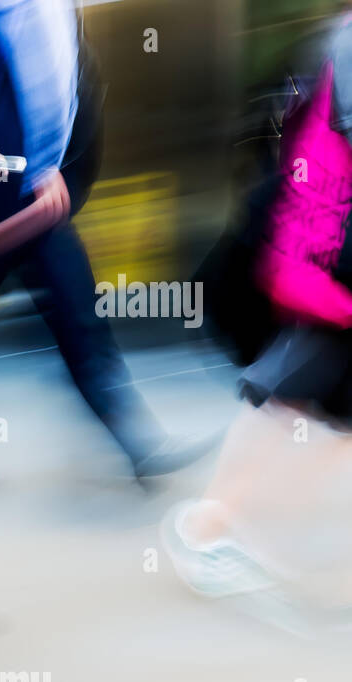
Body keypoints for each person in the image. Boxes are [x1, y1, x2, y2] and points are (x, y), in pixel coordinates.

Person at [0, 0, 209, 478]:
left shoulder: (34, 11)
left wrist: (58, 176)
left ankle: (137, 445)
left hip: (34, 200)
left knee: (80, 322)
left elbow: (68, 88)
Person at [164, 14, 352, 607]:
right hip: (326, 260)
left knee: (313, 404)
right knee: (288, 392)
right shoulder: (347, 44)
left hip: (320, 257)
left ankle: (222, 527)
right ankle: (204, 528)